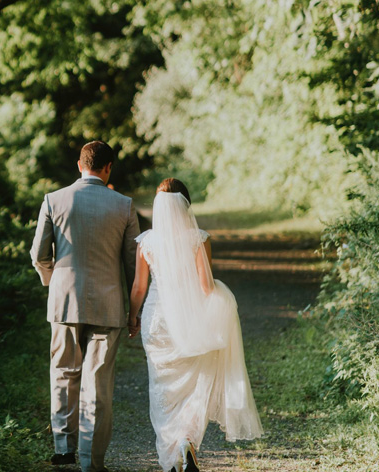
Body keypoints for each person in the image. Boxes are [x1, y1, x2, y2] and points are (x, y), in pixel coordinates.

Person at [128, 179, 263, 472]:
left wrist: (132, 316)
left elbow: (139, 287)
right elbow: (205, 286)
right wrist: (222, 302)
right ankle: (186, 440)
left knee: (162, 386)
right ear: (186, 205)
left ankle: (171, 448)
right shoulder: (198, 238)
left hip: (157, 321)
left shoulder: (147, 241)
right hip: (189, 319)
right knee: (195, 382)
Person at [31, 141, 140, 472]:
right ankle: (91, 462)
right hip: (108, 305)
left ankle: (63, 448)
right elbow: (133, 265)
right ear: (108, 168)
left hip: (64, 301)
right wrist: (134, 312)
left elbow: (38, 254)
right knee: (98, 383)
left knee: (64, 373)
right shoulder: (124, 206)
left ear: (80, 165)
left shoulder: (54, 200)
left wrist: (53, 281)